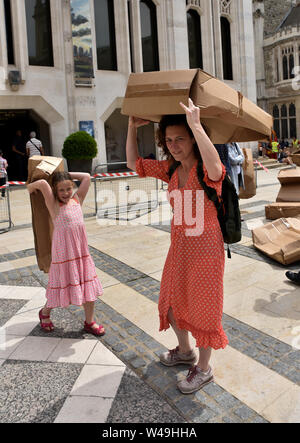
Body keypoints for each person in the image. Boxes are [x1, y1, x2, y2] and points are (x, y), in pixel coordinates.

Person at [126, 98, 228, 394]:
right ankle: (185, 352)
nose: (173, 144)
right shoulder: (171, 170)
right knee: (170, 302)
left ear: (193, 140)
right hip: (179, 246)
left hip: (207, 247)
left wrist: (196, 124)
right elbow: (136, 164)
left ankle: (205, 369)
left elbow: (218, 170)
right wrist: (131, 128)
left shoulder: (205, 169)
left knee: (204, 308)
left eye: (179, 139)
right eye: (168, 139)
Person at [26, 171, 105, 335]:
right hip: (64, 256)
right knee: (60, 287)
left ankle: (89, 322)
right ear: (55, 191)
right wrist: (30, 187)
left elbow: (86, 177)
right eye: (61, 190)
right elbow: (41, 184)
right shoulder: (54, 205)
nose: (65, 193)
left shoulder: (78, 200)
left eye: (68, 188)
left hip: (81, 255)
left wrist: (66, 173)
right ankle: (45, 312)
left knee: (88, 287)